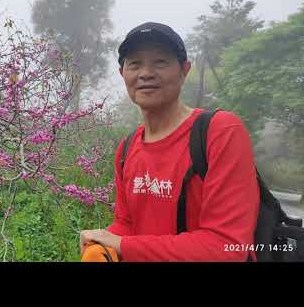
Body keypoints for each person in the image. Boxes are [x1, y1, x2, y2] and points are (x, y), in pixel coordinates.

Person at [80, 22, 260, 262]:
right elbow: (127, 224)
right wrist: (102, 244)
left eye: (160, 62)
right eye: (135, 63)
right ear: (123, 74)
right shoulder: (127, 148)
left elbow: (227, 247)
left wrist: (122, 244)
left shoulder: (220, 132)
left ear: (184, 70)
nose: (146, 73)